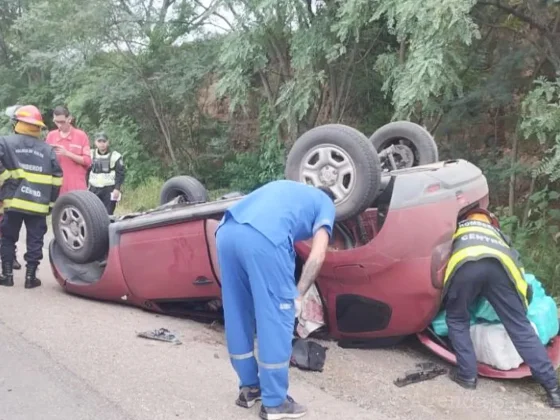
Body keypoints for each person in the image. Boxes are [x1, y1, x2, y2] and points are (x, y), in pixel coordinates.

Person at [215, 180, 336, 420]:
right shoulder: (325, 203)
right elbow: (318, 253)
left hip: (226, 232)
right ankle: (274, 402)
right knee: (276, 317)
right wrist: (299, 294)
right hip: (264, 237)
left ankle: (249, 387)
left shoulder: (289, 190)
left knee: (238, 311)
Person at [442, 208, 560, 408]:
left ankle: (467, 376)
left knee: (457, 319)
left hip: (466, 266)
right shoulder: (499, 236)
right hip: (500, 268)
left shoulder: (456, 228)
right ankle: (554, 390)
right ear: (491, 222)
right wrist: (521, 304)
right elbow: (519, 272)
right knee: (520, 327)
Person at [0, 105, 63, 288]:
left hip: (13, 200)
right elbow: (57, 179)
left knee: (8, 237)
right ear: (38, 127)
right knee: (35, 240)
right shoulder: (47, 149)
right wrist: (51, 204)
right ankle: (30, 278)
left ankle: (7, 275)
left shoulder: (5, 142)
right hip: (39, 203)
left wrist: (5, 179)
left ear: (18, 123)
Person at [46, 106, 91, 195]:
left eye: (62, 122)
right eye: (56, 122)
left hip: (77, 186)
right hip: (57, 186)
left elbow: (87, 161)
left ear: (69, 119)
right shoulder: (51, 136)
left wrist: (67, 153)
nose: (59, 125)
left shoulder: (81, 136)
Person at [86, 132, 125, 215]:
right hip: (93, 189)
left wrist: (117, 189)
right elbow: (86, 171)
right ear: (95, 142)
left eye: (104, 141)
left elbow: (120, 174)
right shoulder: (90, 155)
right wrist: (85, 186)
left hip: (109, 189)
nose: (102, 144)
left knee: (108, 214)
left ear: (108, 142)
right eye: (99, 141)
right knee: (94, 214)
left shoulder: (116, 156)